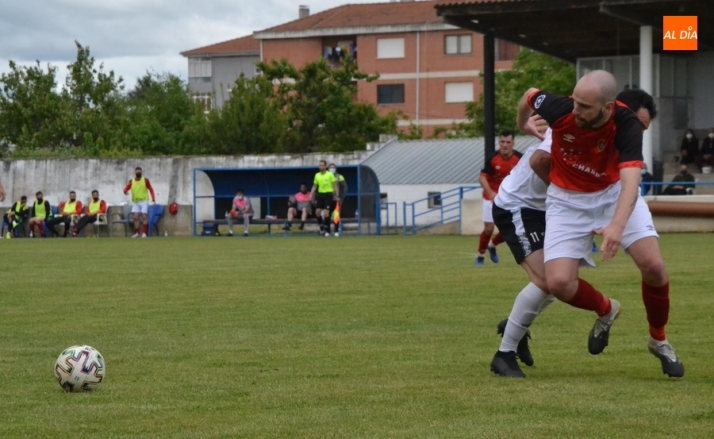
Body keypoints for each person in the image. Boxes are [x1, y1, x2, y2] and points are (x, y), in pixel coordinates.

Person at [508, 71, 683, 378]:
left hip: (614, 194)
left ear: (607, 107)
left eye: (584, 107)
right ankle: (607, 309)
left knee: (653, 266)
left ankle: (658, 339)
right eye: (575, 102)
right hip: (566, 201)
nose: (575, 110)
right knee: (559, 283)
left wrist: (616, 225)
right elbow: (530, 94)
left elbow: (631, 180)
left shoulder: (627, 125)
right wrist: (523, 122)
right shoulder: (562, 109)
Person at [476, 130, 523, 265]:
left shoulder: (520, 159)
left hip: (509, 198)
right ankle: (480, 255)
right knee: (489, 228)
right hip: (491, 196)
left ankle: (492, 245)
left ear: (513, 143)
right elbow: (482, 177)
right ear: (499, 142)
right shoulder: (493, 158)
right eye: (502, 142)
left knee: (510, 228)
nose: (505, 145)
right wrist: (490, 193)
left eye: (508, 142)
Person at [123, 167, 156, 238]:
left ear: (141, 172)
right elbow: (126, 188)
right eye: (137, 172)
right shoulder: (132, 181)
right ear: (135, 173)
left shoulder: (145, 180)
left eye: (139, 172)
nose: (138, 173)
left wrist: (153, 198)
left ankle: (144, 233)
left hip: (144, 200)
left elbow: (151, 189)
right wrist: (125, 191)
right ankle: (137, 232)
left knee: (144, 216)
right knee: (135, 217)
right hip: (136, 201)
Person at [310, 160, 340, 237]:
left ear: (325, 166)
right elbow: (315, 185)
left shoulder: (330, 174)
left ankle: (327, 230)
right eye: (320, 165)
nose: (321, 167)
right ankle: (322, 227)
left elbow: (335, 185)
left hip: (328, 195)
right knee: (317, 212)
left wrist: (337, 195)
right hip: (320, 195)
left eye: (322, 165)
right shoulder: (317, 175)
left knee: (327, 213)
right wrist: (311, 193)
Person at [329, 163, 348, 236]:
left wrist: (341, 196)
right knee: (327, 214)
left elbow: (345, 187)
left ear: (336, 169)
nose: (332, 169)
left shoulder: (340, 177)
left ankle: (336, 230)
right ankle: (326, 230)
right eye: (330, 168)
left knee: (336, 214)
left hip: (336, 198)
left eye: (333, 168)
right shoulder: (326, 176)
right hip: (327, 198)